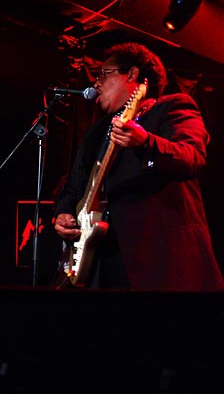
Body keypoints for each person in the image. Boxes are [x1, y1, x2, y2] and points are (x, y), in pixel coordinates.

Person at [53, 42, 224, 291]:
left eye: (104, 74)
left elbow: (192, 156)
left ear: (132, 75)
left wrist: (146, 142)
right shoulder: (95, 134)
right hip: (101, 268)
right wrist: (63, 214)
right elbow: (73, 188)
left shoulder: (172, 107)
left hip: (158, 263)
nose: (96, 83)